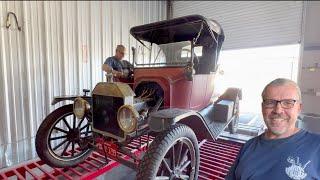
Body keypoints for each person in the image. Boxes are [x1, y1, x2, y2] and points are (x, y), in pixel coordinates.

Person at [226, 78, 320, 180]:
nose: (278, 110)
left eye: (288, 103)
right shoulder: (248, 147)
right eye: (270, 102)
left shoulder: (317, 146)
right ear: (262, 108)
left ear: (299, 108)